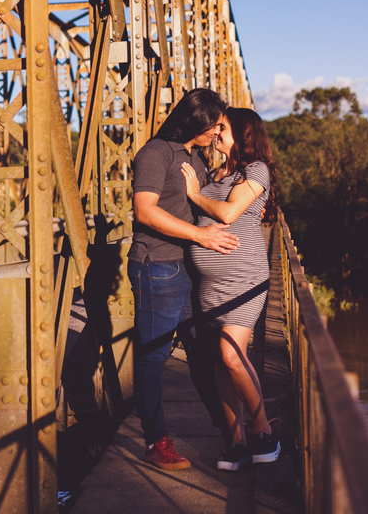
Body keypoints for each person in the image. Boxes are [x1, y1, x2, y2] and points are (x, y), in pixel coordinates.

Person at [130, 88, 238, 470]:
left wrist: (228, 154)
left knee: (202, 352)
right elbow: (145, 211)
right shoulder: (156, 153)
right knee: (154, 355)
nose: (218, 131)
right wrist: (201, 236)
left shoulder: (195, 157)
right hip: (157, 266)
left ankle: (232, 432)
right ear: (198, 120)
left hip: (189, 268)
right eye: (216, 124)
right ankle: (154, 440)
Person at [181, 107, 281, 470]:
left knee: (229, 355)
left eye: (221, 127)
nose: (215, 132)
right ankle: (237, 442)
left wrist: (194, 193)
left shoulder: (256, 170)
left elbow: (227, 214)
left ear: (243, 132)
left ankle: (264, 429)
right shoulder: (214, 171)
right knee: (218, 366)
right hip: (209, 285)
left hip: (244, 281)